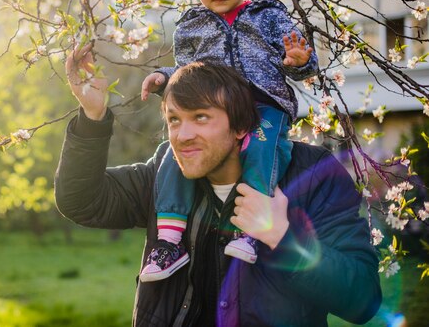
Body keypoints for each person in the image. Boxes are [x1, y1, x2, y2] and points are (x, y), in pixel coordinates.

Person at [55, 51, 381, 326]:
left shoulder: (311, 175)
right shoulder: (165, 176)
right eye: (174, 120)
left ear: (241, 126)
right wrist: (93, 115)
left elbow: (362, 300)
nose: (182, 135)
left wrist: (283, 237)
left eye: (200, 117)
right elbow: (81, 200)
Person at [139, 0, 319, 279]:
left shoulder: (268, 16)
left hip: (264, 104)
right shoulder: (192, 26)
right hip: (215, 108)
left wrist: (299, 61)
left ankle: (249, 230)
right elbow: (184, 72)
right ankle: (169, 242)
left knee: (263, 150)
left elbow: (299, 63)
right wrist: (163, 78)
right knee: (180, 153)